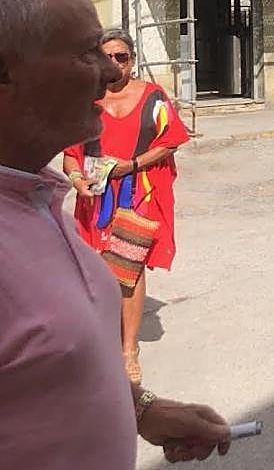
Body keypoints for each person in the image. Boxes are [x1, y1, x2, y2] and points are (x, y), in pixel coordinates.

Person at [0, 0, 230, 466]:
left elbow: (44, 374)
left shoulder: (34, 194)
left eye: (113, 55)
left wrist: (141, 411)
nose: (108, 72)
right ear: (6, 71)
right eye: (86, 53)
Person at [62, 28, 189, 384]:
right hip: (96, 197)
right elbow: (71, 155)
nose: (115, 63)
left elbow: (172, 140)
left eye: (123, 56)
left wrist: (132, 165)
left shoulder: (153, 96)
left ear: (132, 61)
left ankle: (128, 348)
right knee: (96, 271)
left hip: (139, 195)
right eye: (108, 56)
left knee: (128, 270)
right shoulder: (84, 100)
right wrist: (76, 181)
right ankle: (101, 340)